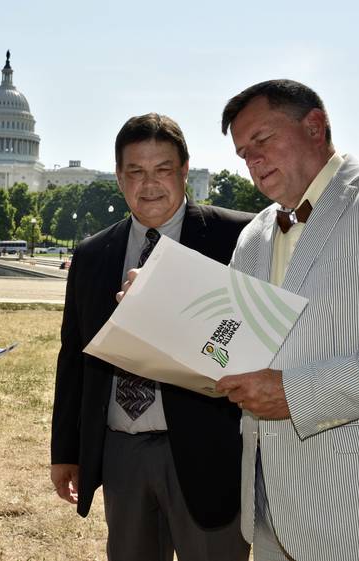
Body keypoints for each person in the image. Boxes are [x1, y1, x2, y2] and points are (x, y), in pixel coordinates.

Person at [214, 79, 359, 561]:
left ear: (315, 126)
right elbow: (229, 341)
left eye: (262, 140)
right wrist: (158, 302)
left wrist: (296, 393)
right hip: (273, 510)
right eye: (242, 153)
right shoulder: (255, 233)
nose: (253, 161)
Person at [50, 113, 253, 561]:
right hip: (123, 450)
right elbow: (73, 357)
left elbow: (254, 333)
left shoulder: (238, 238)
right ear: (120, 177)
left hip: (209, 448)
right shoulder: (93, 253)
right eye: (135, 172)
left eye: (163, 169)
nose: (150, 184)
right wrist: (67, 450)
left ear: (184, 171)